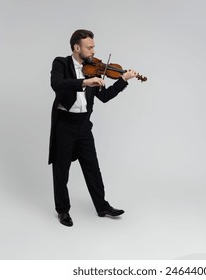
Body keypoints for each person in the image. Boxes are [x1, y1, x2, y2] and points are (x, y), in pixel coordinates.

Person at [49, 29, 138, 227]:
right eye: (90, 47)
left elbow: (104, 97)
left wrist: (122, 80)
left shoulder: (94, 68)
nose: (93, 51)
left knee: (92, 168)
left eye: (94, 47)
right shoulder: (61, 63)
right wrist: (84, 82)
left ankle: (102, 206)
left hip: (83, 126)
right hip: (64, 125)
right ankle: (63, 211)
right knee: (61, 170)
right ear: (76, 47)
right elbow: (57, 84)